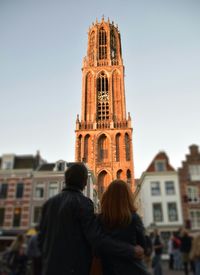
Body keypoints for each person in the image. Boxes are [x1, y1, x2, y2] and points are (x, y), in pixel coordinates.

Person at [38, 163, 144, 275]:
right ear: (84, 182)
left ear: (66, 179)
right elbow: (96, 240)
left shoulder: (48, 204)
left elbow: (40, 241)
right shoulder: (84, 204)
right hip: (74, 270)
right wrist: (130, 250)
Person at [97, 179, 149, 275]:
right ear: (128, 197)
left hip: (109, 269)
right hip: (132, 269)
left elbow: (99, 243)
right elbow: (143, 248)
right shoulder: (134, 218)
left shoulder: (100, 220)